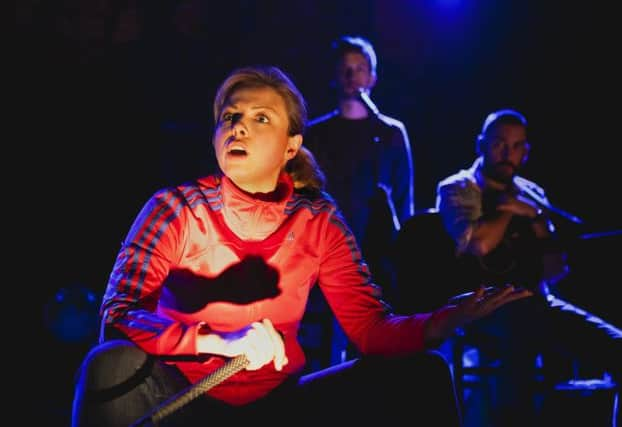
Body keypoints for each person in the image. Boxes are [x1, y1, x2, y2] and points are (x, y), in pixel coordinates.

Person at [70, 66, 531, 427]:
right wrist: (215, 340)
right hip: (184, 402)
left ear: (291, 146)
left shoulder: (317, 220)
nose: (239, 128)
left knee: (423, 374)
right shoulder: (175, 209)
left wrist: (444, 320)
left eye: (260, 118)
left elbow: (370, 330)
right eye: (230, 117)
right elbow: (118, 315)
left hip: (280, 409)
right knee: (110, 364)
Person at [434, 108, 622, 426]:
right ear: (481, 144)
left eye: (517, 146)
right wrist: (510, 210)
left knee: (613, 344)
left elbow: (555, 269)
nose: (508, 154)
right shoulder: (458, 188)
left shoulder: (533, 195)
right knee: (524, 339)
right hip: (481, 306)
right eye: (499, 144)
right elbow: (477, 244)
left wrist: (535, 218)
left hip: (537, 300)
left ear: (526, 152)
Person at [304, 35, 415, 364]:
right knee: (323, 345)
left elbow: (404, 195)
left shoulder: (390, 133)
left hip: (374, 253)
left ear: (373, 77)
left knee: (368, 345)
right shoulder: (316, 134)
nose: (353, 77)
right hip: (325, 250)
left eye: (360, 69)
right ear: (335, 76)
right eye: (346, 69)